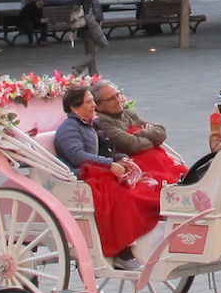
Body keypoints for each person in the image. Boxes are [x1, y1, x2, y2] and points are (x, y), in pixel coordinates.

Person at [53, 86, 158, 269]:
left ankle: (143, 236)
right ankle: (120, 247)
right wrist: (109, 164)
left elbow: (106, 150)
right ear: (75, 108)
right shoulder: (68, 129)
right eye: (88, 102)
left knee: (140, 188)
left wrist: (120, 158)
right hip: (83, 174)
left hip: (97, 169)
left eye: (92, 101)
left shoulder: (91, 124)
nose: (94, 105)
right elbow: (78, 156)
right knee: (121, 194)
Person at [93, 83, 187, 185]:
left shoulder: (129, 113)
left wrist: (138, 134)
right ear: (98, 106)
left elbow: (161, 132)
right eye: (111, 98)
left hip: (163, 164)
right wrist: (151, 138)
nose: (118, 100)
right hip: (144, 170)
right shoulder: (102, 121)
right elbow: (130, 145)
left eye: (118, 95)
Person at [72, 0, 106, 77]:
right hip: (92, 30)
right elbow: (98, 16)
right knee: (91, 53)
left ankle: (94, 74)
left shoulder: (80, 1)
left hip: (82, 30)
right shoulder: (94, 2)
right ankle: (78, 68)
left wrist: (73, 32)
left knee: (89, 52)